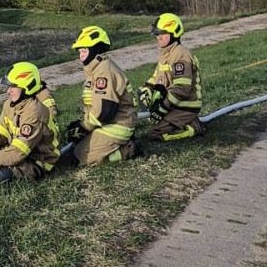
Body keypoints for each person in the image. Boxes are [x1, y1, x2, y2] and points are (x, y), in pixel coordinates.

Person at [61, 26, 139, 166]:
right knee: (73, 149)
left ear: (96, 50)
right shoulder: (96, 70)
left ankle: (129, 149)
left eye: (84, 51)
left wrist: (83, 127)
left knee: (79, 158)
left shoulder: (104, 72)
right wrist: (81, 124)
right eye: (79, 52)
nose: (80, 56)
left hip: (118, 125)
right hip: (107, 124)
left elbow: (104, 112)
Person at [138, 13, 205, 141]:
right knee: (154, 124)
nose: (159, 38)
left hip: (185, 106)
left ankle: (194, 127)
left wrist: (162, 108)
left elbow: (182, 89)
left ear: (173, 33)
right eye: (157, 34)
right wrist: (147, 89)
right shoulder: (166, 54)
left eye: (163, 34)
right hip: (173, 104)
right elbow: (156, 77)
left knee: (154, 133)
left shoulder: (180, 55)